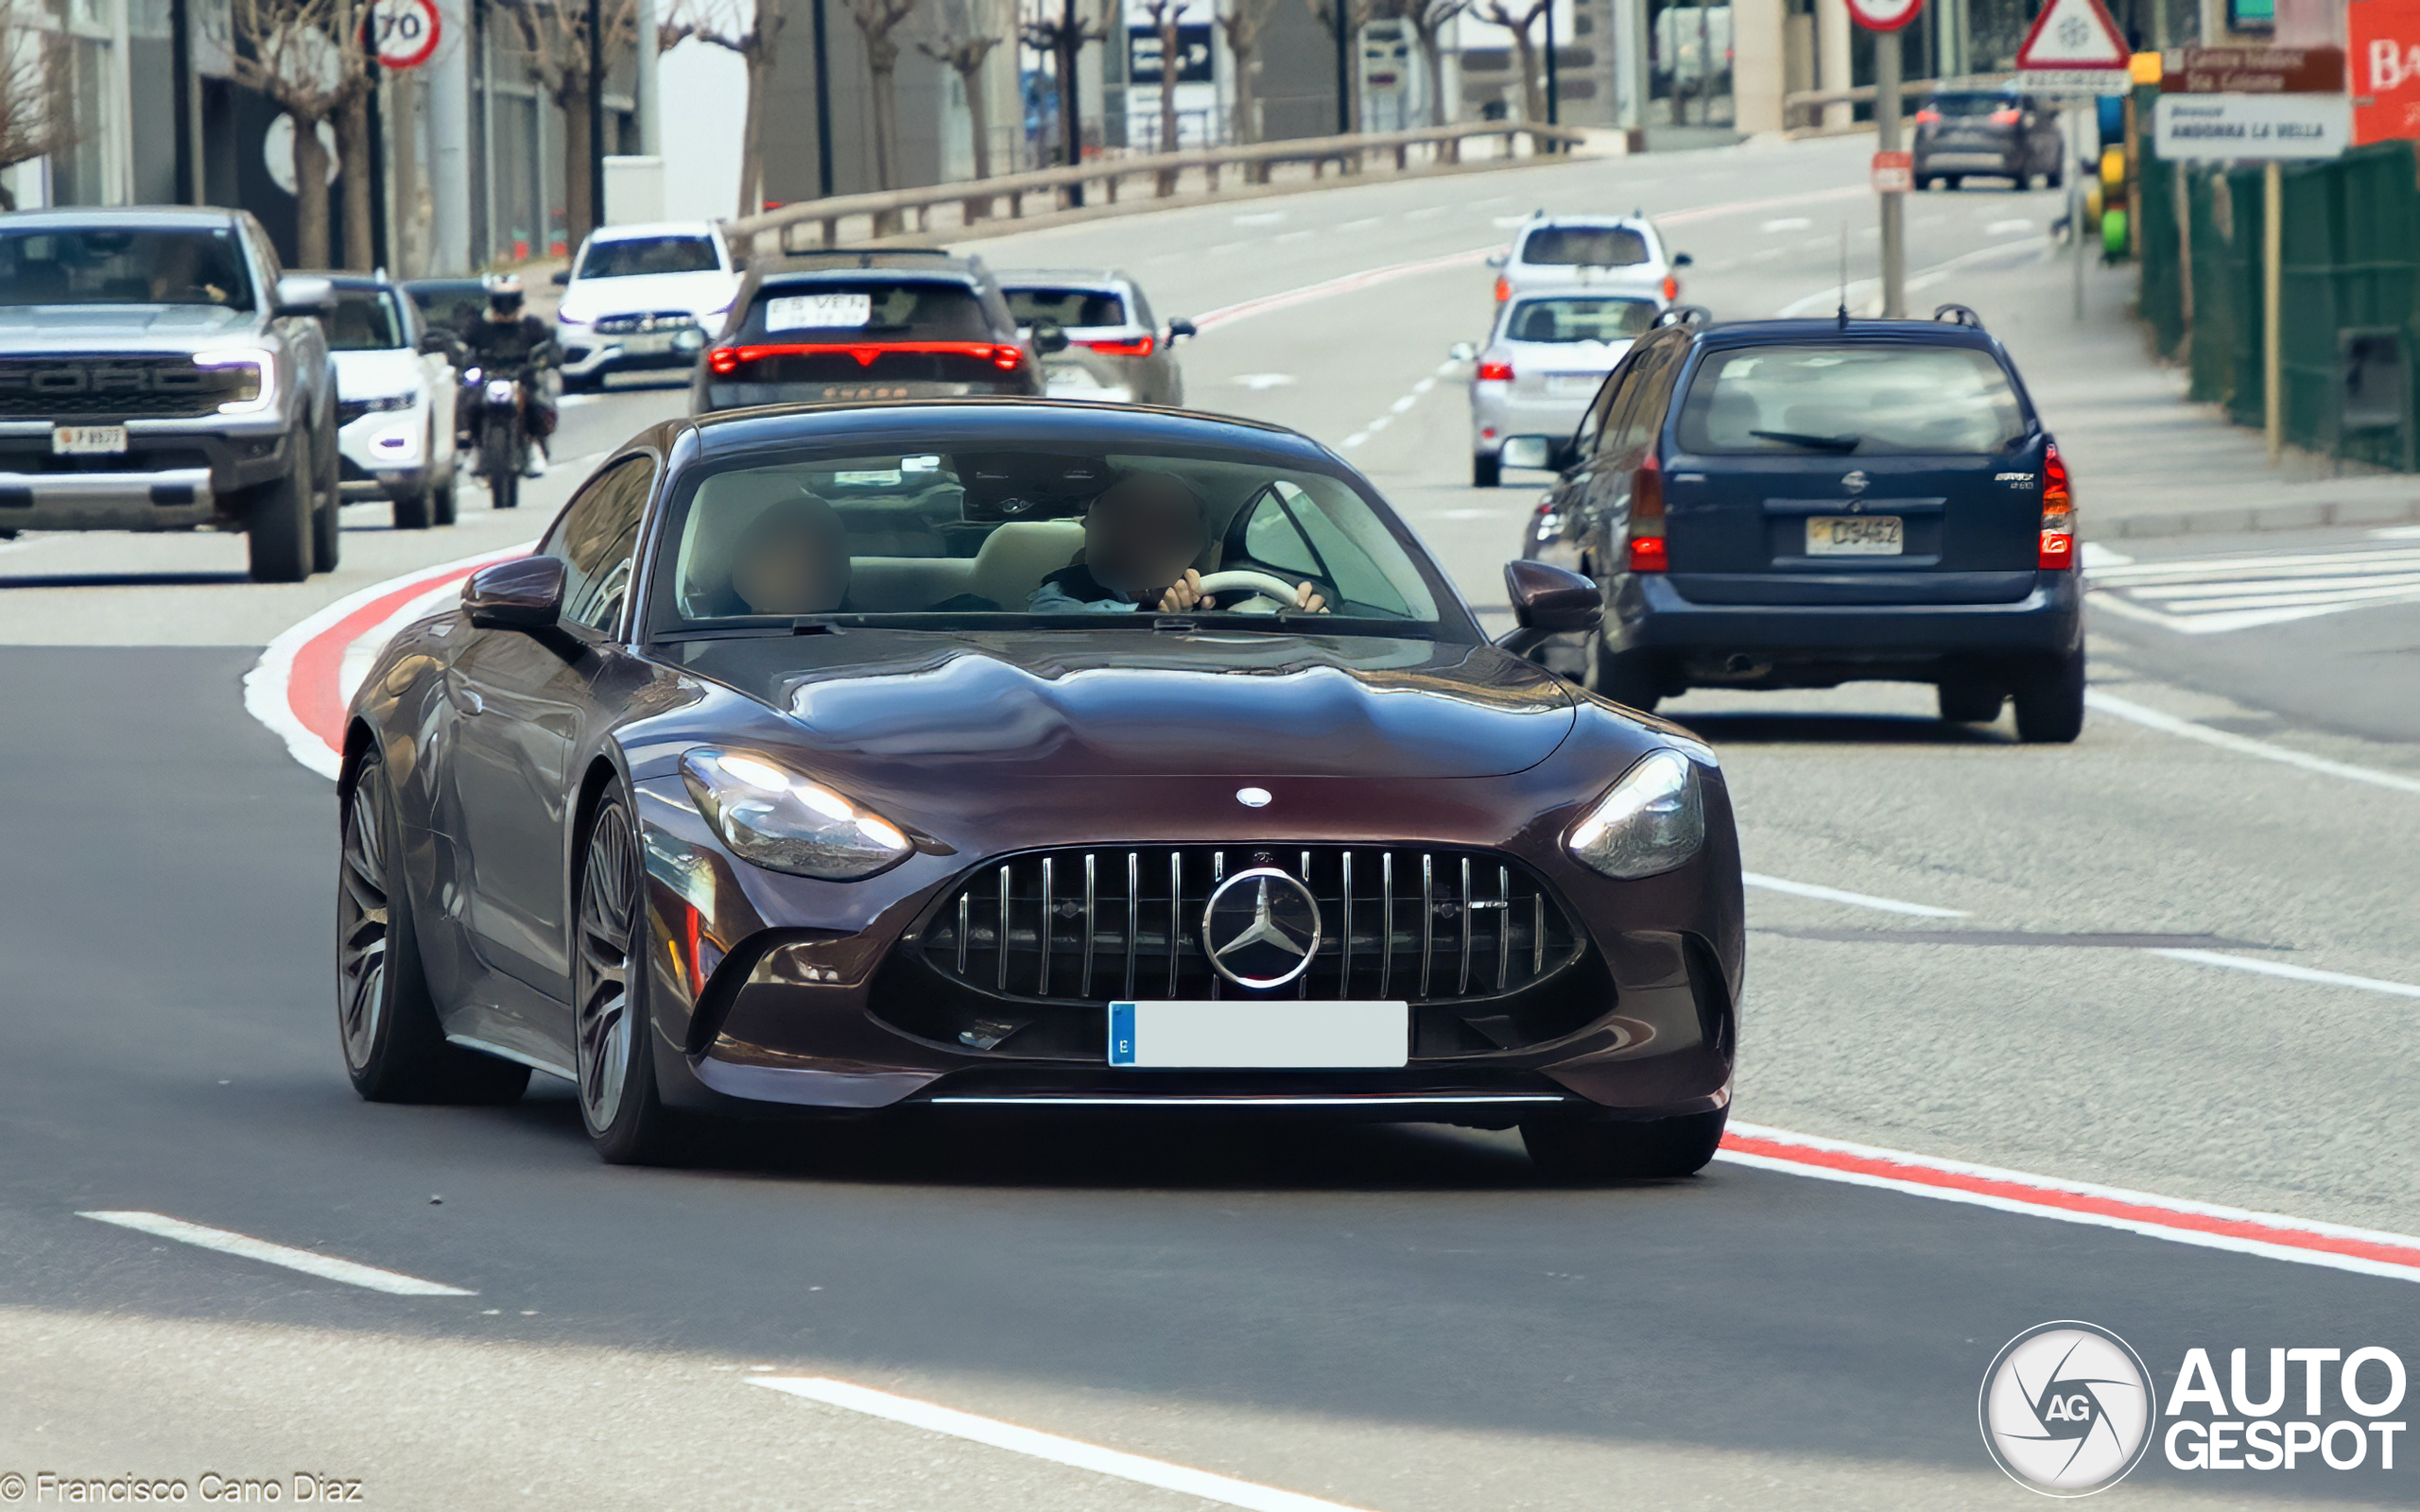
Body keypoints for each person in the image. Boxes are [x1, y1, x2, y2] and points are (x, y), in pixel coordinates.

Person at [1028, 471, 1325, 614]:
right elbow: (1052, 619)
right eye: (1133, 521)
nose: (1149, 537)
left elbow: (1262, 615)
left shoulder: (1234, 592)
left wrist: (1302, 618)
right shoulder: (1067, 589)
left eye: (1169, 525)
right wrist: (1149, 613)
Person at [458, 274, 559, 479]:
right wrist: (460, 359)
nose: (505, 306)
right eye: (501, 300)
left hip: (522, 377)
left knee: (537, 403)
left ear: (518, 300)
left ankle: (533, 446)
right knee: (469, 403)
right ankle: (475, 448)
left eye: (510, 300)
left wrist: (549, 357)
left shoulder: (531, 325)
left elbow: (549, 346)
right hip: (487, 378)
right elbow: (463, 347)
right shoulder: (479, 326)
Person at [720, 491, 854, 616]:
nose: (794, 572)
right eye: (781, 558)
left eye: (809, 561)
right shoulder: (711, 633)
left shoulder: (860, 634)